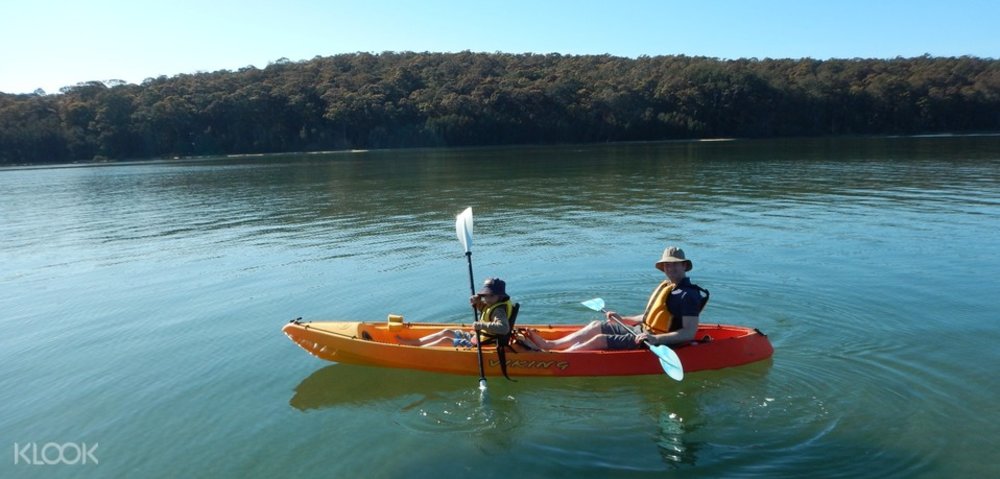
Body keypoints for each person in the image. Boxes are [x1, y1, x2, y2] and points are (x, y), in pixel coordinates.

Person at [526, 246, 706, 351]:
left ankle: (561, 358)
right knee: (596, 326)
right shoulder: (668, 287)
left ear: (684, 266)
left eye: (675, 264)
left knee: (600, 339)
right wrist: (623, 319)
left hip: (654, 341)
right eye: (667, 264)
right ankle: (551, 344)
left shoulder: (688, 295)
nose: (670, 268)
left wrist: (656, 340)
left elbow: (688, 333)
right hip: (642, 332)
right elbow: (648, 316)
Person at [399, 277, 513, 347]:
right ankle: (413, 343)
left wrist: (481, 325)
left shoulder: (498, 310)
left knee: (445, 340)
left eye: (490, 296)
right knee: (446, 332)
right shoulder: (493, 303)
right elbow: (486, 312)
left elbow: (503, 328)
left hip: (485, 343)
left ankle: (416, 351)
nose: (486, 299)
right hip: (478, 336)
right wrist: (477, 302)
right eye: (484, 295)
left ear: (500, 296)